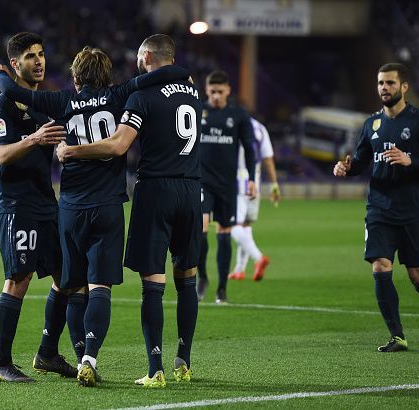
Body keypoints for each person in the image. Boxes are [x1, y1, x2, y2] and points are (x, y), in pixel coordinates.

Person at [0, 44, 189, 387]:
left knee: (70, 282)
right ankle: (88, 357)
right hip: (108, 205)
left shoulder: (61, 101)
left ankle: (57, 350)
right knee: (99, 286)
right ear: (107, 75)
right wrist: (177, 75)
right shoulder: (120, 94)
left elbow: (12, 90)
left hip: (68, 208)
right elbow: (167, 74)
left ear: (75, 76)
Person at [57, 34, 201, 388]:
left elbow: (120, 144)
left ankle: (155, 369)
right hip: (192, 189)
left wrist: (71, 151)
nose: (135, 64)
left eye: (139, 58)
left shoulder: (141, 95)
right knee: (187, 278)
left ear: (148, 56)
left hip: (156, 189)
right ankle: (184, 360)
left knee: (153, 282)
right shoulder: (194, 92)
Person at [333, 62, 419, 352]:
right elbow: (359, 162)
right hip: (379, 209)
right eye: (381, 83)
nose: (384, 88)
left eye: (390, 83)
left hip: (412, 210)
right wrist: (346, 168)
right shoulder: (371, 124)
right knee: (380, 266)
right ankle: (397, 336)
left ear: (404, 87)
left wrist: (411, 162)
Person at [0, 32, 77, 383]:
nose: (38, 61)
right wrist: (35, 139)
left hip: (47, 206)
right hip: (16, 207)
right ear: (14, 65)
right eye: (30, 56)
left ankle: (48, 353)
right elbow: (2, 156)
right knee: (18, 281)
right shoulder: (1, 108)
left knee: (66, 278)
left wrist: (59, 148)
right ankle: (0, 362)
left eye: (41, 54)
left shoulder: (42, 105)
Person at [197, 70, 256, 304]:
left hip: (227, 184)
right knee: (199, 229)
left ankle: (222, 287)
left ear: (228, 91)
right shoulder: (198, 111)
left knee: (224, 233)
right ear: (206, 90)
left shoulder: (239, 115)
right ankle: (202, 277)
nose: (216, 96)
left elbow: (249, 148)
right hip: (201, 181)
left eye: (220, 92)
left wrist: (251, 178)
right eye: (212, 92)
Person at [228, 117, 281, 281]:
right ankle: (239, 269)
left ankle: (258, 258)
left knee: (231, 225)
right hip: (254, 181)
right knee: (245, 225)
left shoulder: (231, 123)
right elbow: (268, 159)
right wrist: (274, 185)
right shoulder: (260, 128)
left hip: (236, 180)